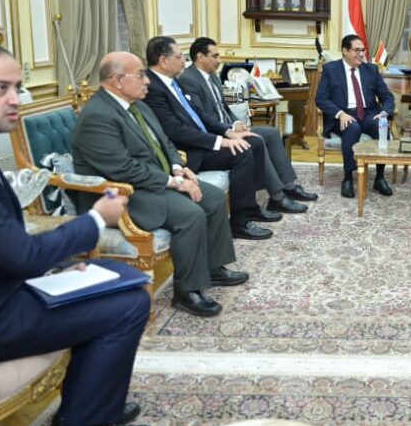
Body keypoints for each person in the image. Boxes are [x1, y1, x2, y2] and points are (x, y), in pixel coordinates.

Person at [0, 41, 152, 426]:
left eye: (17, 87)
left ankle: (98, 403)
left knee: (121, 279)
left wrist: (58, 267)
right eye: (0, 88)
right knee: (129, 303)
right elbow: (19, 254)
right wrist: (96, 220)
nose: (16, 99)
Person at [73, 52, 249, 318]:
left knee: (212, 197)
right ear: (117, 80)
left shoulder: (138, 105)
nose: (147, 81)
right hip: (118, 194)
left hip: (150, 181)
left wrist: (178, 167)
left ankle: (213, 268)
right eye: (140, 75)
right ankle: (187, 291)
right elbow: (122, 169)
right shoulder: (97, 116)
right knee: (190, 214)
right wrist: (174, 182)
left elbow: (165, 143)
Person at [141, 36, 273, 240]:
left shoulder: (173, 82)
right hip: (187, 151)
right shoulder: (153, 88)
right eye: (179, 56)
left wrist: (228, 131)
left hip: (201, 141)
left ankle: (250, 207)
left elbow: (199, 115)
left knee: (252, 142)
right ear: (163, 60)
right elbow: (174, 130)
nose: (184, 60)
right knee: (242, 151)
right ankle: (239, 222)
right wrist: (219, 142)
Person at [179, 36, 317, 209]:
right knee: (256, 140)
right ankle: (277, 197)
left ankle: (289, 186)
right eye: (215, 56)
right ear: (200, 57)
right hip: (215, 135)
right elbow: (201, 117)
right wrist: (229, 129)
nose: (219, 60)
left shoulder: (212, 76)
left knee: (272, 133)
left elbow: (224, 107)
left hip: (228, 128)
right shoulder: (189, 80)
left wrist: (237, 123)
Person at [315, 34, 395, 198]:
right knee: (352, 127)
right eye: (356, 50)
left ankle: (379, 177)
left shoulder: (371, 70)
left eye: (362, 50)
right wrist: (340, 114)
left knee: (381, 126)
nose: (361, 54)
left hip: (368, 114)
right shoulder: (331, 69)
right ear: (345, 51)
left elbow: (387, 97)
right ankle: (348, 178)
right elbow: (321, 99)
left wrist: (384, 113)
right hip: (343, 115)